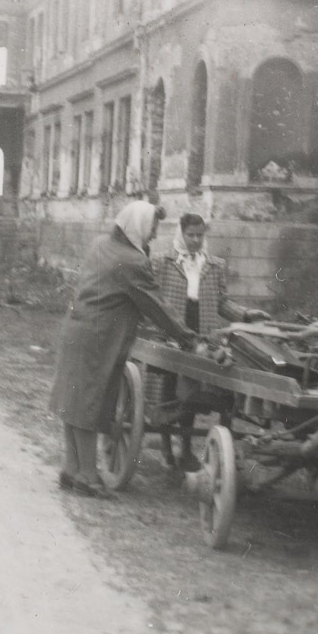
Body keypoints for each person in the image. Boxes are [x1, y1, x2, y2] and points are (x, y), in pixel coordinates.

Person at [49, 201, 197, 499]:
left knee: (73, 403)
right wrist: (186, 336)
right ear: (139, 227)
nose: (154, 236)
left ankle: (71, 468)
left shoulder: (100, 244)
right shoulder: (133, 261)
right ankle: (89, 478)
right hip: (98, 339)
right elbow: (156, 307)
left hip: (77, 329)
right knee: (88, 406)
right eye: (152, 229)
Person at [147, 213, 271, 470]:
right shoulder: (163, 262)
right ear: (181, 233)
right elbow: (154, 300)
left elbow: (222, 302)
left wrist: (246, 314)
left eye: (199, 235)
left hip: (202, 334)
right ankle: (167, 447)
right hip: (173, 331)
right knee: (169, 390)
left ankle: (187, 450)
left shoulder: (213, 265)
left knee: (193, 390)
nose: (194, 240)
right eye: (190, 235)